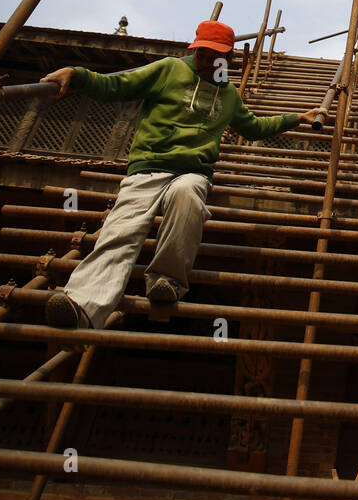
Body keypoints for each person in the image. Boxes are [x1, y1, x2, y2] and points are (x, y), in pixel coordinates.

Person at [38, 19, 326, 329]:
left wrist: (298, 118)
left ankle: (167, 281)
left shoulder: (229, 96)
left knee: (188, 196)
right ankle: (83, 303)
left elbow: (254, 127)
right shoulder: (168, 69)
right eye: (200, 54)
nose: (204, 62)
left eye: (213, 57)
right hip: (148, 167)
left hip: (192, 171)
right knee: (123, 229)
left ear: (228, 59)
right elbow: (116, 87)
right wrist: (76, 75)